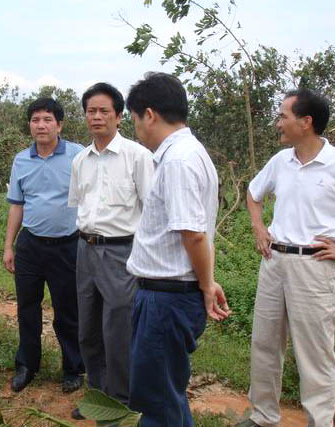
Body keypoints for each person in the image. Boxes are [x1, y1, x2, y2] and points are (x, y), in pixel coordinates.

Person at [125, 72, 230, 426]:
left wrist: (204, 285)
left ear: (149, 115)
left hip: (166, 299)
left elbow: (194, 234)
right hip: (166, 294)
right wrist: (207, 280)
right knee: (167, 392)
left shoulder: (179, 161)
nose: (136, 128)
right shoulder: (185, 154)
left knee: (157, 400)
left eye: (135, 119)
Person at [240, 88, 335, 427]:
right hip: (274, 262)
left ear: (306, 122)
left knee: (315, 353)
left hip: (315, 268)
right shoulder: (280, 161)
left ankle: (319, 422)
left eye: (283, 116)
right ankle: (263, 416)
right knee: (265, 344)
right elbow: (253, 194)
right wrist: (259, 228)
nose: (278, 124)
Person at [68, 82, 153, 418]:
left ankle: (121, 400)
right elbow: (80, 205)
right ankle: (97, 397)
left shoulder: (138, 157)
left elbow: (151, 210)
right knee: (87, 328)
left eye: (104, 111)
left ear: (119, 116)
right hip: (85, 249)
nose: (97, 117)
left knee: (117, 330)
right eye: (91, 111)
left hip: (122, 252)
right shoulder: (80, 160)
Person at [4, 98, 85, 394]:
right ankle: (27, 365)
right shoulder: (21, 160)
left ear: (59, 125)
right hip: (30, 246)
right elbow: (17, 205)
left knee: (68, 310)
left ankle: (73, 368)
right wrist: (9, 246)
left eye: (47, 119)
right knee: (27, 307)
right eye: (36, 119)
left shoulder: (78, 155)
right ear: (30, 125)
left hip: (68, 246)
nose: (41, 125)